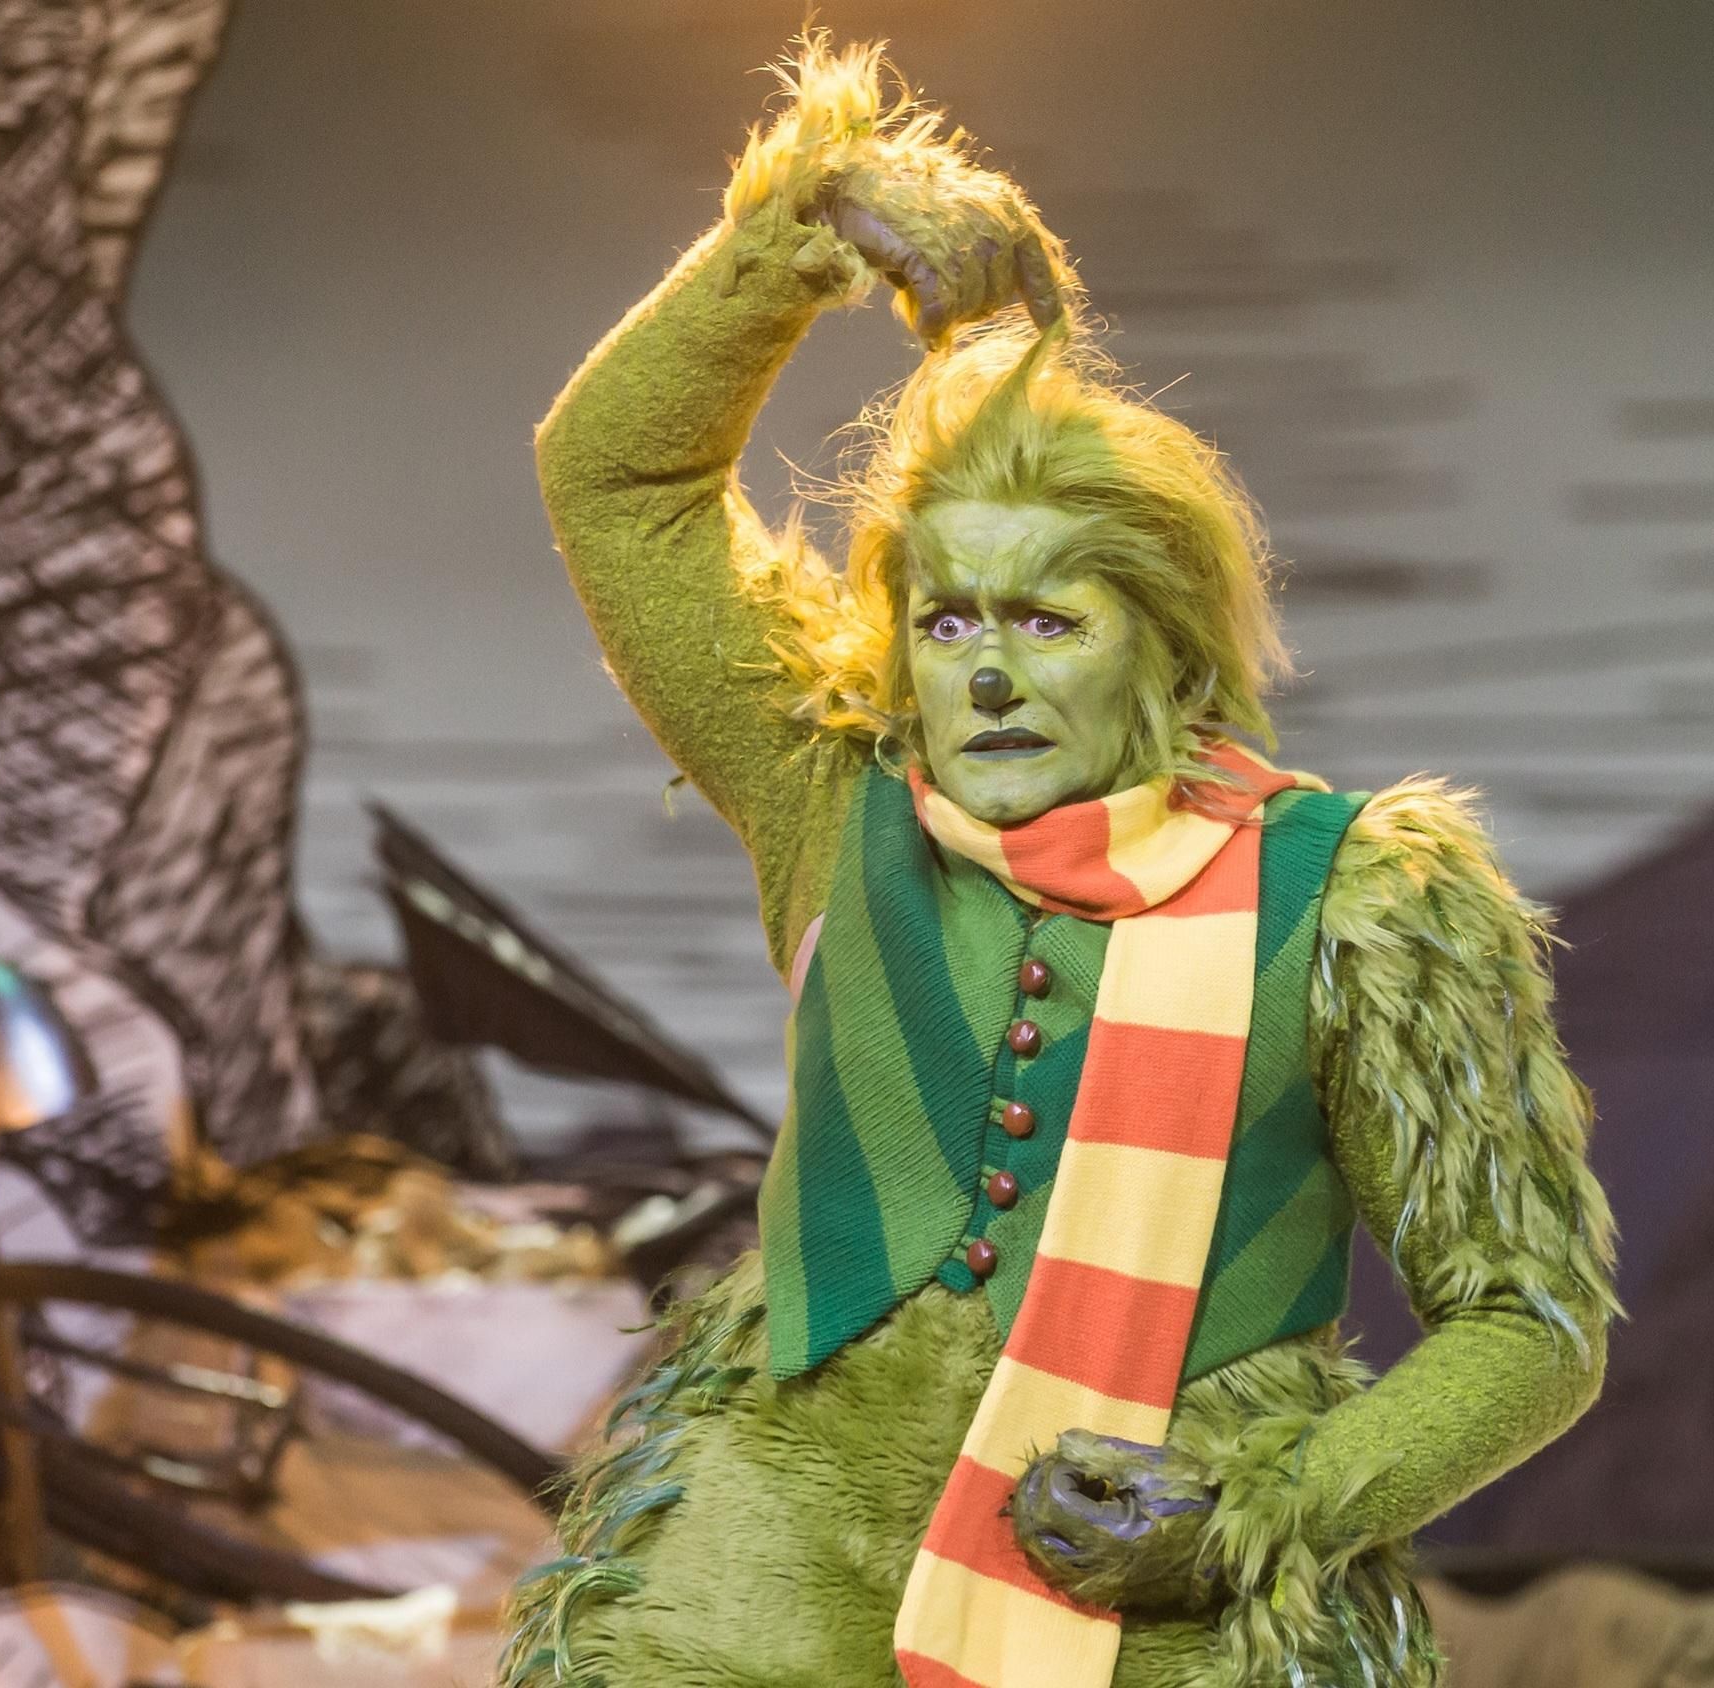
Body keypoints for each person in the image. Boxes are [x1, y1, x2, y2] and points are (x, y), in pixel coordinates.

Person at [499, 38, 1615, 1688]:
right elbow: (615, 483)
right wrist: (804, 233)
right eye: (948, 621)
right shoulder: (835, 796)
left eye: (1046, 620)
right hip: (770, 1588)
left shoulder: (1355, 904)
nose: (988, 674)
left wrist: (1265, 1507)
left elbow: (1529, 1319)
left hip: (1152, 1608)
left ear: (1167, 651)